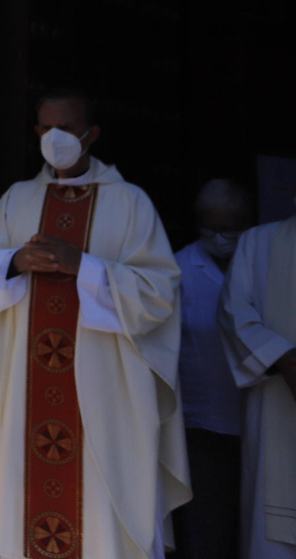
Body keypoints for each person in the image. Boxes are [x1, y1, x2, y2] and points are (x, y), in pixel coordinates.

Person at [0, 91, 189, 559]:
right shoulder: (16, 201)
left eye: (66, 128)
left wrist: (82, 266)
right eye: (45, 129)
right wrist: (14, 261)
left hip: (105, 399)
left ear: (91, 134)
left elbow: (159, 292)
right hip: (29, 393)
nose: (55, 139)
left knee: (102, 518)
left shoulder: (130, 204)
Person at [175, 179, 254, 559]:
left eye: (228, 227)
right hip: (200, 424)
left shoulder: (258, 261)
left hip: (255, 420)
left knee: (253, 528)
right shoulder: (180, 267)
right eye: (211, 225)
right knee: (207, 528)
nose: (219, 236)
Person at [218, 213, 296, 559]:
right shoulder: (258, 242)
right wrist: (283, 357)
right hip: (275, 401)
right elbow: (233, 310)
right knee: (273, 530)